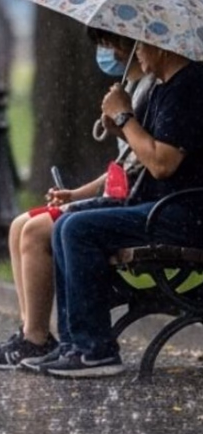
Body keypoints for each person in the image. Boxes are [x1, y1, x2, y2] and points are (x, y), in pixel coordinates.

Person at [0, 29, 155, 369]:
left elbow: (144, 164)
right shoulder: (129, 90)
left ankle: (38, 338)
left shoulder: (147, 92)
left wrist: (124, 117)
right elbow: (122, 167)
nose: (102, 53)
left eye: (106, 44)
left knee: (36, 232)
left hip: (133, 204)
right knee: (18, 226)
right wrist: (76, 194)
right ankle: (32, 330)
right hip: (120, 195)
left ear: (124, 48)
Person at [34, 42, 203, 378]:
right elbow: (145, 153)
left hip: (183, 216)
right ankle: (75, 345)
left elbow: (162, 164)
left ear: (163, 46)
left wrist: (125, 117)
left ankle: (96, 350)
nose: (135, 51)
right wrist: (119, 127)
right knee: (66, 221)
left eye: (142, 43)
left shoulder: (190, 87)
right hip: (158, 207)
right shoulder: (164, 88)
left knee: (79, 230)